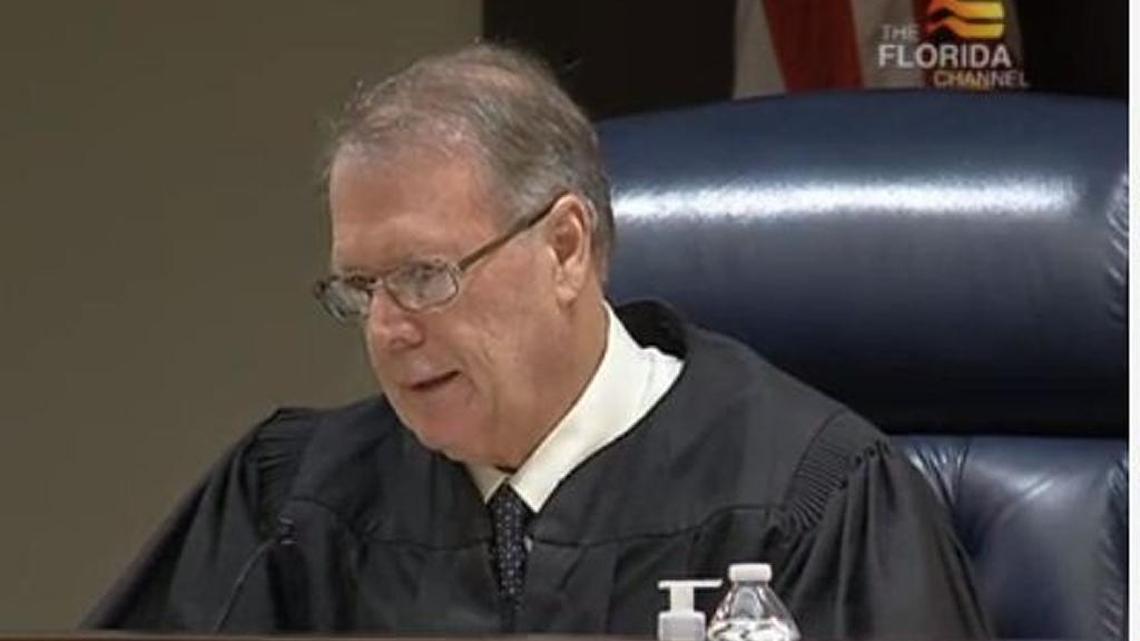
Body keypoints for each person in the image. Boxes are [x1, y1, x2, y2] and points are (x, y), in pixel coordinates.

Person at [84, 44, 990, 638]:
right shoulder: (290, 502)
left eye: (426, 275)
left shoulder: (809, 499)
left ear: (565, 248)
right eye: (360, 288)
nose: (390, 327)